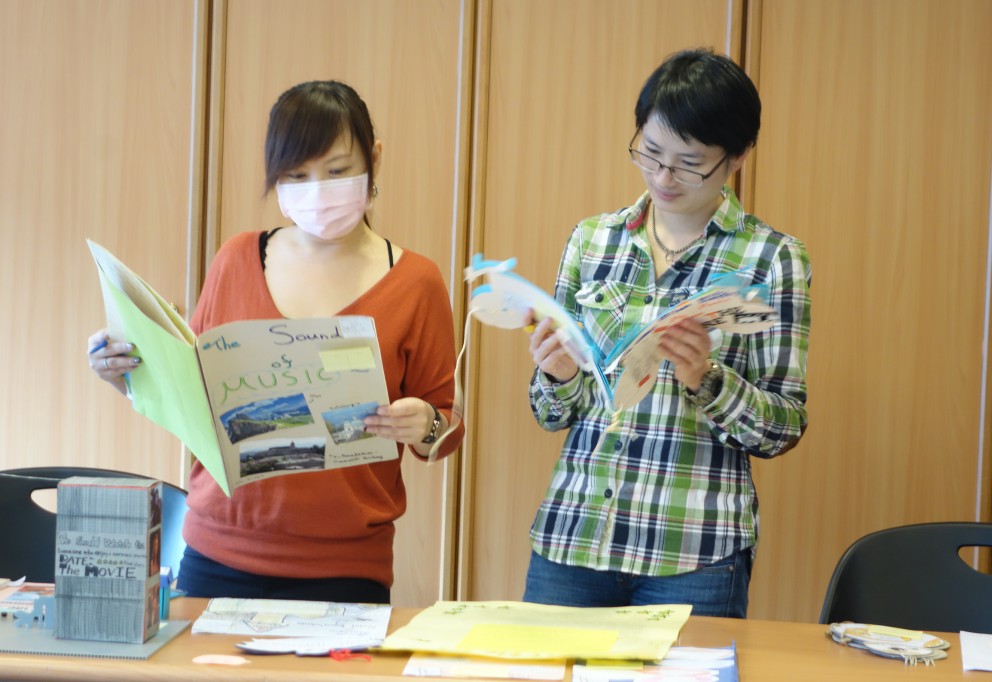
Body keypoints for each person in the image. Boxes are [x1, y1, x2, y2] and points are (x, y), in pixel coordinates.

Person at [87, 80, 463, 603]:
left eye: (337, 171)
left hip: (346, 566)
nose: (317, 191)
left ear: (374, 159)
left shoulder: (417, 282)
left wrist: (426, 423)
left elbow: (445, 429)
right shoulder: (235, 259)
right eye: (297, 175)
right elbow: (197, 399)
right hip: (217, 552)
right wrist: (127, 371)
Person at [522, 49, 811, 616]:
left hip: (694, 554)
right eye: (650, 153)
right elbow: (553, 414)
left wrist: (706, 379)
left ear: (738, 156)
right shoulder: (593, 241)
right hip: (574, 538)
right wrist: (557, 376)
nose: (663, 177)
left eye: (689, 163)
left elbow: (783, 427)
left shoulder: (772, 259)